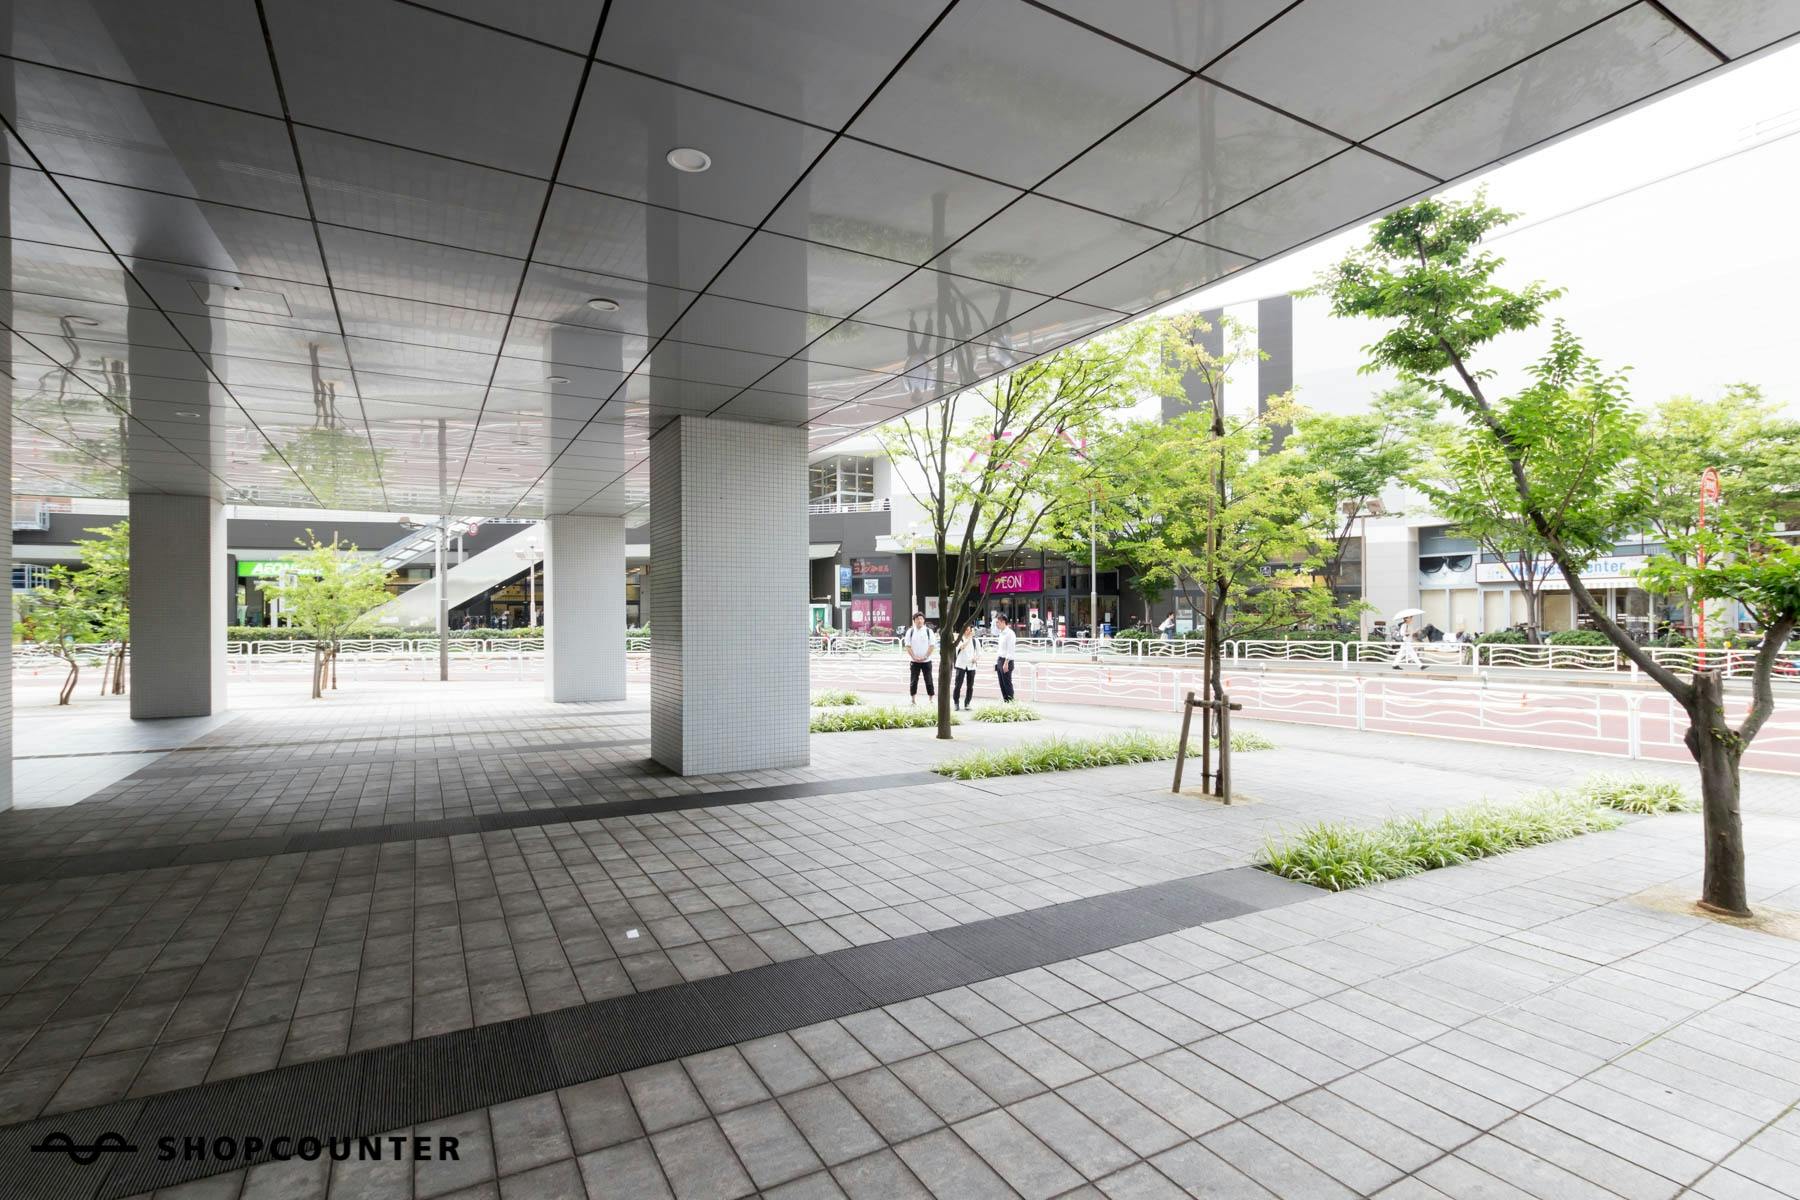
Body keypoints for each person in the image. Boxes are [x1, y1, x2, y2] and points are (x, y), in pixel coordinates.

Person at [903, 612, 935, 704]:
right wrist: (914, 657)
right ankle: (913, 700)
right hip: (914, 661)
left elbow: (932, 646)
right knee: (913, 681)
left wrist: (925, 657)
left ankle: (931, 699)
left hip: (927, 661)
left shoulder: (929, 631)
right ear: (914, 621)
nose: (919, 621)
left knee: (928, 680)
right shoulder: (910, 631)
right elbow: (908, 646)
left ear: (924, 620)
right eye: (917, 619)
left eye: (921, 619)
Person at [953, 623, 979, 711]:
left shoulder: (976, 641)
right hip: (961, 665)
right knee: (958, 685)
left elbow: (979, 653)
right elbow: (962, 647)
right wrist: (970, 638)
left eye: (968, 630)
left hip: (971, 666)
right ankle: (956, 703)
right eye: (965, 629)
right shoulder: (958, 639)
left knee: (970, 686)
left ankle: (967, 703)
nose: (967, 631)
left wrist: (976, 658)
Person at [993, 613, 1018, 702]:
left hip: (1006, 661)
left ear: (1003, 622)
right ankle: (1006, 702)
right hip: (1000, 660)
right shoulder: (1001, 633)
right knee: (1002, 684)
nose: (996, 624)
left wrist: (1006, 663)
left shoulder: (1010, 633)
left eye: (997, 622)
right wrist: (996, 662)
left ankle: (1011, 704)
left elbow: (1010, 650)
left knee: (1007, 684)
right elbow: (1000, 649)